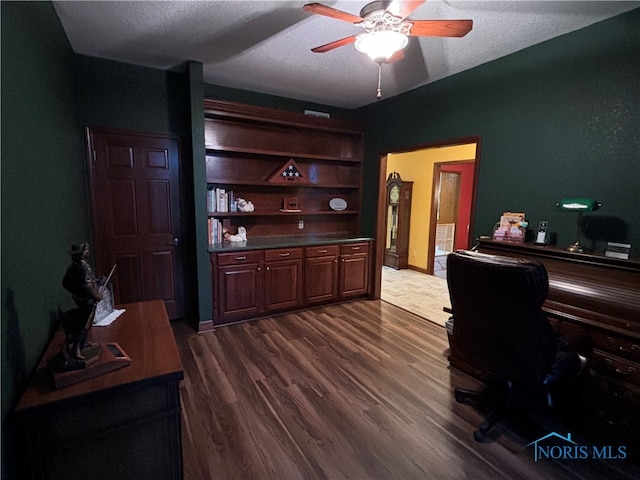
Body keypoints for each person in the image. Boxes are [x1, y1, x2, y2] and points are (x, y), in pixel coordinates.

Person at [60, 242, 103, 364]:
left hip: (79, 298)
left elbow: (65, 283)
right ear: (82, 253)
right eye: (87, 249)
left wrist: (76, 291)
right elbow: (88, 286)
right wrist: (97, 296)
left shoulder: (72, 267)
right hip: (86, 300)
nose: (88, 251)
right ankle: (77, 348)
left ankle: (84, 343)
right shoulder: (83, 267)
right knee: (84, 323)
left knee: (86, 322)